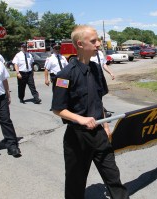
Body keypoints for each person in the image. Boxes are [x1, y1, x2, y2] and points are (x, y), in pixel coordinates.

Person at [51, 25, 129, 199]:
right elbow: (58, 108)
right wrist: (81, 119)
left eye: (98, 40)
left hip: (99, 132)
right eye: (93, 41)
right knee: (75, 183)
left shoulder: (96, 68)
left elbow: (98, 99)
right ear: (80, 44)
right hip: (77, 138)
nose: (98, 44)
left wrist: (106, 124)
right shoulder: (65, 75)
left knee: (113, 177)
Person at [0, 44, 21, 157]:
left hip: (1, 98)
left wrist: (8, 93)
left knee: (6, 121)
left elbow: (4, 79)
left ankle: (12, 145)